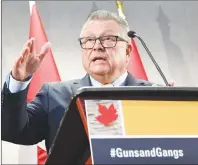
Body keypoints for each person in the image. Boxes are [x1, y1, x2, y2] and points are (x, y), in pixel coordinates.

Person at [2, 10, 156, 154]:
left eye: (108, 39)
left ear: (128, 51)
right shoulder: (54, 96)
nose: (97, 47)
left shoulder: (155, 96)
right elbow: (13, 131)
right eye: (89, 40)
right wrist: (17, 81)